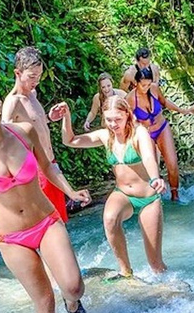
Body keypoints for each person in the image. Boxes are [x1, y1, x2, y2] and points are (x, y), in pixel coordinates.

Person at [0, 83, 91, 313]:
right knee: (44, 302)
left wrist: (71, 192)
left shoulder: (24, 132)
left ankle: (73, 305)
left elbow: (48, 167)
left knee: (73, 288)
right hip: (11, 237)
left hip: (45, 220)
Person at [51, 96, 167, 278]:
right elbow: (70, 141)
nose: (113, 124)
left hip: (148, 198)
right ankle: (126, 271)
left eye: (118, 119)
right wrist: (66, 116)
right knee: (110, 218)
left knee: (155, 264)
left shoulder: (140, 133)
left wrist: (155, 178)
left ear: (128, 115)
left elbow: (148, 157)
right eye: (109, 119)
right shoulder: (105, 136)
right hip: (123, 194)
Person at [2, 46, 69, 222]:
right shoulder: (12, 102)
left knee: (60, 221)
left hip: (51, 165)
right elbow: (3, 140)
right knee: (47, 224)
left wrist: (49, 117)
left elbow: (32, 126)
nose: (36, 81)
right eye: (32, 77)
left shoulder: (33, 94)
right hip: (37, 171)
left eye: (38, 76)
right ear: (18, 72)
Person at [126, 66, 194, 202]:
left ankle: (175, 196)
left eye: (148, 84)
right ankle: (156, 199)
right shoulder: (130, 99)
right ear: (136, 83)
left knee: (172, 164)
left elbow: (164, 103)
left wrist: (183, 110)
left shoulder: (154, 89)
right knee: (153, 169)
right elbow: (129, 121)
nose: (146, 88)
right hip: (146, 134)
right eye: (143, 85)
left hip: (162, 128)